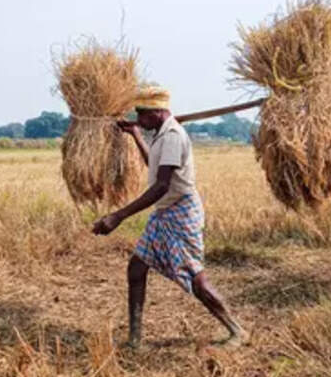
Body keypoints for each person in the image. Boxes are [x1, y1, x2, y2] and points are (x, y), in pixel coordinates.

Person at [91, 86, 249, 349]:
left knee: (195, 279)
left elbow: (162, 185)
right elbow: (154, 167)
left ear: (156, 111)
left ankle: (237, 330)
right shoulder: (161, 135)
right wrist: (136, 135)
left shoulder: (173, 136)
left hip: (180, 212)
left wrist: (118, 216)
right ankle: (135, 340)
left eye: (142, 115)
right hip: (164, 213)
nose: (139, 119)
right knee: (137, 268)